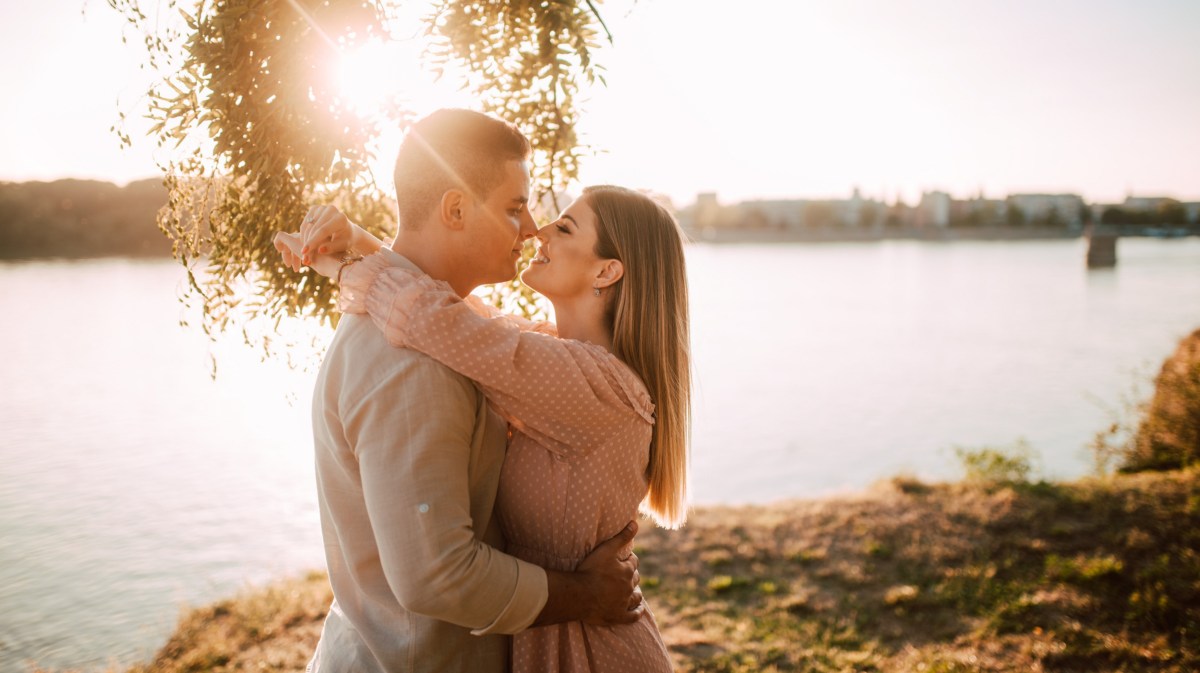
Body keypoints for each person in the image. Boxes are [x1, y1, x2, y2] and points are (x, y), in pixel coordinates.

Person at [277, 109, 645, 673]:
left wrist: (354, 250)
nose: (531, 230)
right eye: (514, 208)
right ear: (454, 210)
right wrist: (587, 595)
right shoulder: (413, 363)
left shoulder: (445, 332)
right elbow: (437, 574)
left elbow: (466, 320)